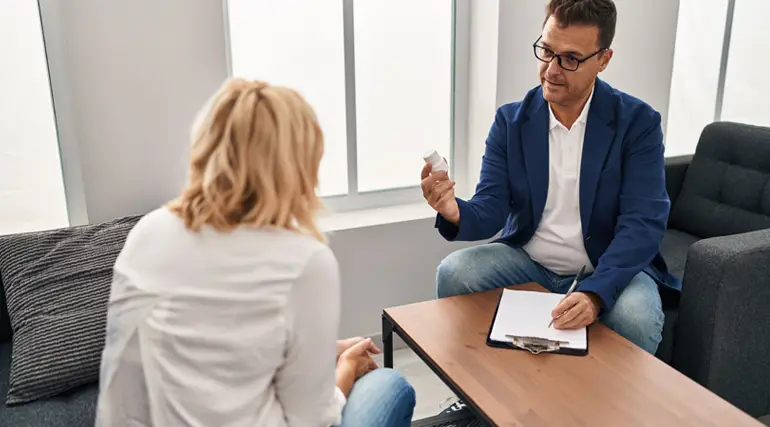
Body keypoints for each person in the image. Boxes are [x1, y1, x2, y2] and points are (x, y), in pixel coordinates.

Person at [95, 78, 415, 426]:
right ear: (296, 168)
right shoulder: (304, 261)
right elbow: (311, 420)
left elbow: (208, 348)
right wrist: (347, 368)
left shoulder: (149, 232)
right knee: (389, 384)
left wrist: (325, 351)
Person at [421, 0, 679, 355]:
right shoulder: (511, 122)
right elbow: (492, 207)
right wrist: (454, 211)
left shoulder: (638, 123)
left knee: (637, 319)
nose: (551, 70)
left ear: (603, 59)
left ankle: (601, 394)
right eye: (546, 51)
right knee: (455, 272)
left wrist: (595, 294)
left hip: (604, 265)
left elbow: (643, 223)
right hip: (530, 260)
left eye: (570, 59)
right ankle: (480, 384)